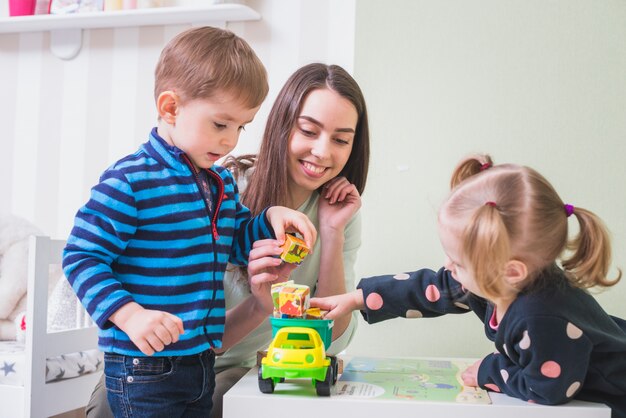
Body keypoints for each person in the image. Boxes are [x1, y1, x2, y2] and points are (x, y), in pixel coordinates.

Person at [85, 62, 370, 418]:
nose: (323, 152)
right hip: (158, 361)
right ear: (282, 127)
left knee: (223, 399)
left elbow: (335, 337)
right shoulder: (218, 185)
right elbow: (86, 257)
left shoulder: (335, 212)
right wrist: (130, 316)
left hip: (233, 367)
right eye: (309, 131)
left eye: (341, 140)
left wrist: (330, 230)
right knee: (104, 410)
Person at [63, 26, 316, 418]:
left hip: (199, 360)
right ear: (170, 108)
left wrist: (270, 218)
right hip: (143, 366)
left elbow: (236, 240)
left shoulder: (220, 183)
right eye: (220, 124)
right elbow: (80, 257)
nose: (231, 140)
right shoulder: (131, 180)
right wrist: (130, 315)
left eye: (240, 127)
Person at [312, 155, 626, 417]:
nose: (448, 268)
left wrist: (489, 372)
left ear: (511, 271)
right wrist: (356, 299)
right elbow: (432, 288)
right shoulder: (500, 281)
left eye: (458, 263)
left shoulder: (543, 319)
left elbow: (545, 388)